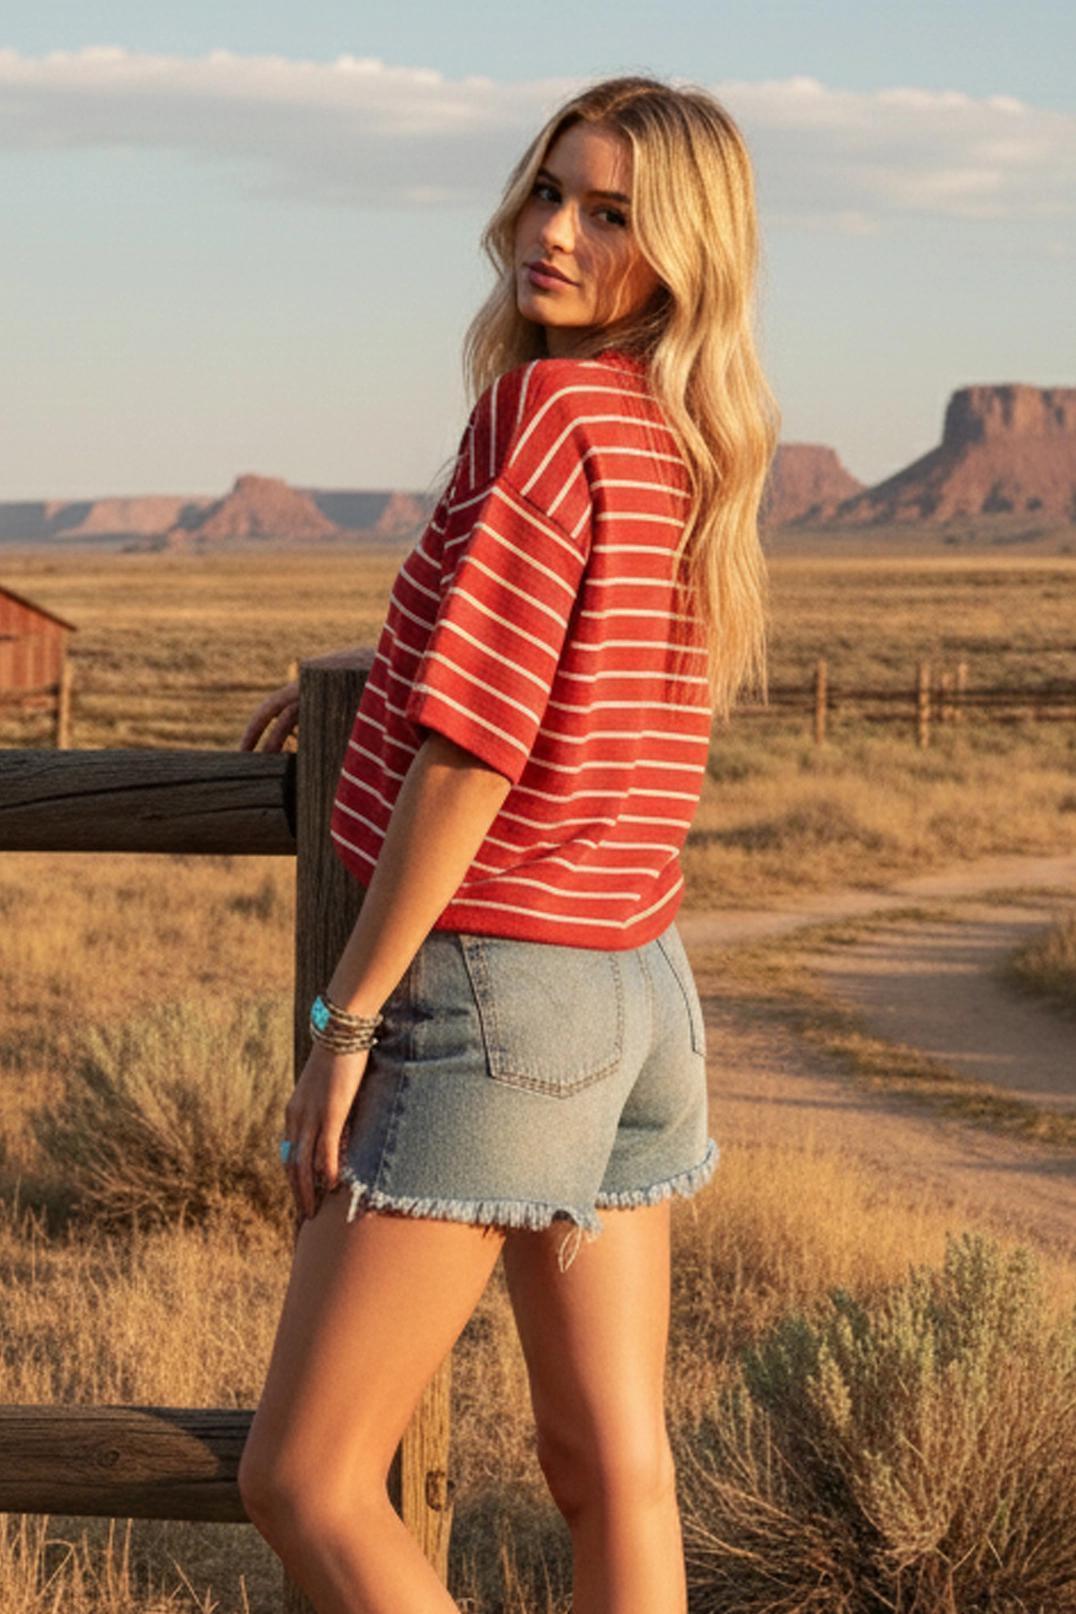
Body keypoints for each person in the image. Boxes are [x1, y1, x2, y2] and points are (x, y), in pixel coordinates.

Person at [235, 72, 778, 1614]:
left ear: (678, 251)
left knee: (305, 1476)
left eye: (610, 212)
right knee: (613, 1463)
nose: (554, 232)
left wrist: (346, 1021)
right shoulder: (683, 434)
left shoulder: (542, 413)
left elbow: (478, 754)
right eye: (549, 192)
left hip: (499, 993)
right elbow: (547, 665)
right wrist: (378, 669)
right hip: (639, 986)